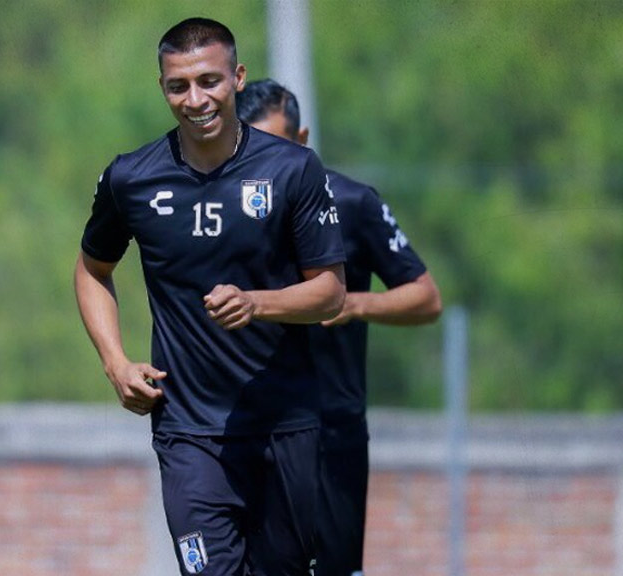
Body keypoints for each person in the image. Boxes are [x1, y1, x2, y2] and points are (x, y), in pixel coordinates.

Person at [74, 18, 347, 576]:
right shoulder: (132, 178)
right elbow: (91, 269)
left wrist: (258, 304)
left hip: (286, 426)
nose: (195, 99)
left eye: (209, 81)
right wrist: (115, 362)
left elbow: (330, 291)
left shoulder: (293, 169)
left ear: (237, 78)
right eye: (179, 85)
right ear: (162, 88)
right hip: (189, 433)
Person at [237, 79, 443, 576]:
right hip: (249, 430)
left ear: (302, 139)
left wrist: (352, 303)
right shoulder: (227, 211)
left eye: (277, 148)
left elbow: (425, 296)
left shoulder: (352, 203)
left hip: (332, 431)